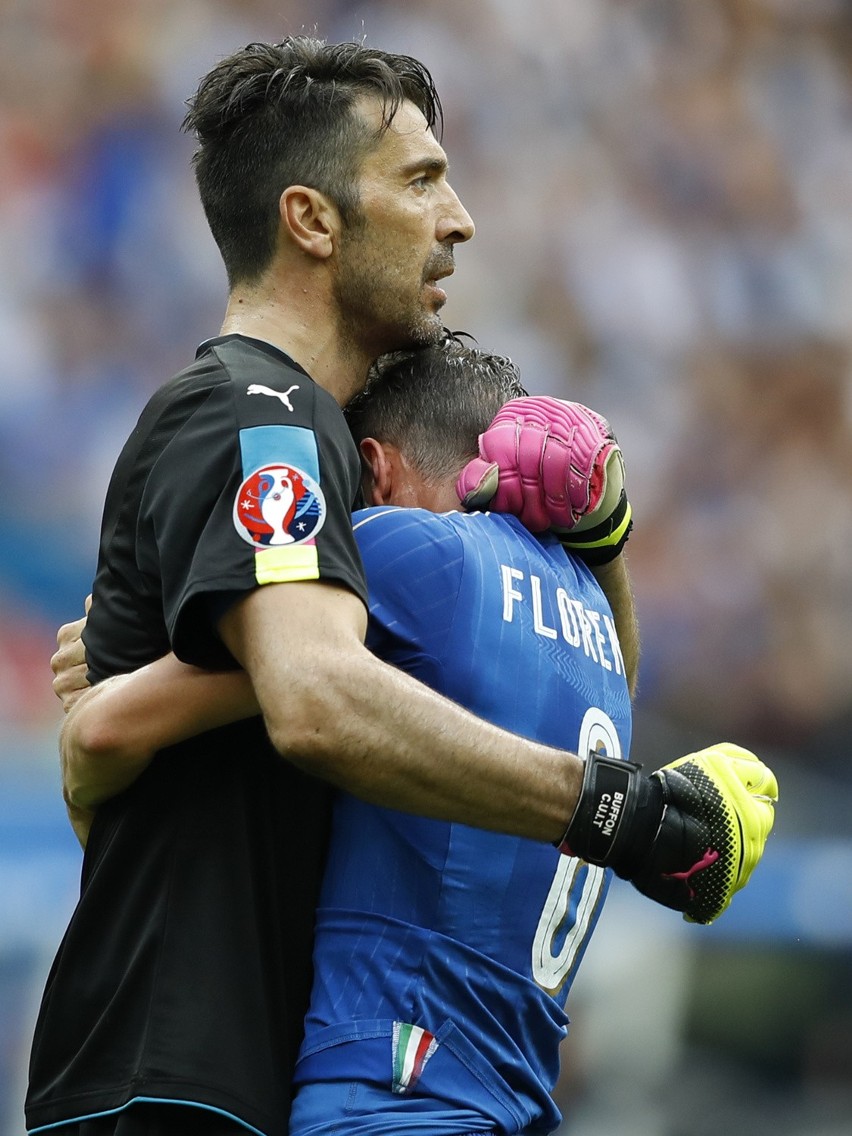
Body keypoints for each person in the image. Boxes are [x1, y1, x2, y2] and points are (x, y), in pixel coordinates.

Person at [27, 35, 775, 1136]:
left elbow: (124, 735)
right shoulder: (256, 415)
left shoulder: (316, 453)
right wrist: (618, 813)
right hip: (169, 1079)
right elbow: (318, 697)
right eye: (422, 180)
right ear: (312, 220)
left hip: (250, 1074)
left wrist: (602, 544)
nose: (459, 218)